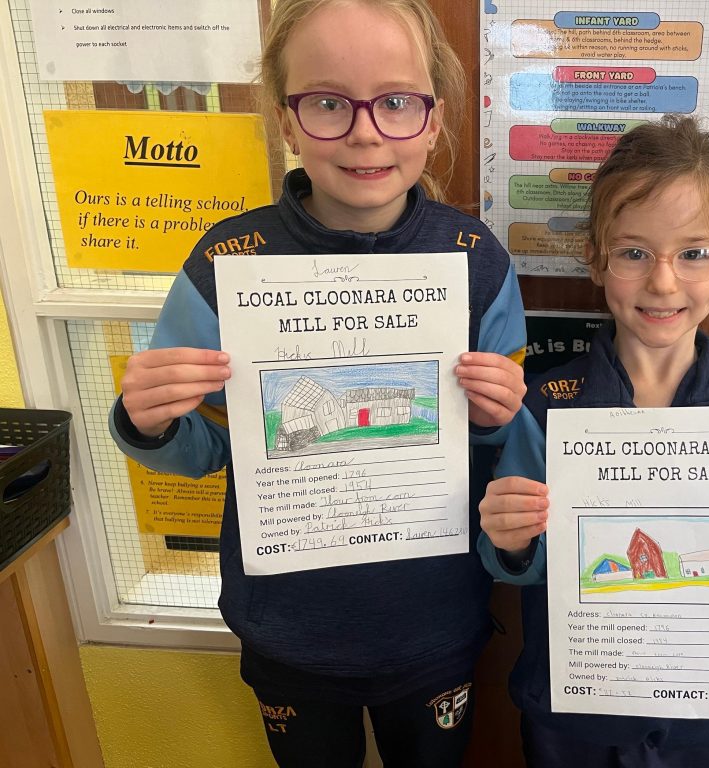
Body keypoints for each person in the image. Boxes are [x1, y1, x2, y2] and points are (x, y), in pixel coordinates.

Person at [108, 1, 527, 766]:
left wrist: (494, 417)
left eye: (395, 101)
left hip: (432, 625)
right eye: (329, 103)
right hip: (289, 632)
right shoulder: (226, 263)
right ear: (287, 122)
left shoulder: (477, 261)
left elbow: (504, 448)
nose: (366, 131)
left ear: (433, 120)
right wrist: (151, 421)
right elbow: (201, 448)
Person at [477, 115, 709, 768]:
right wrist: (510, 540)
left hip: (702, 718)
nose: (664, 282)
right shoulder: (548, 407)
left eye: (694, 253)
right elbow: (516, 563)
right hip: (573, 713)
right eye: (634, 253)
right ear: (596, 259)